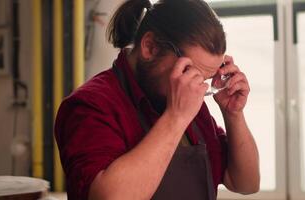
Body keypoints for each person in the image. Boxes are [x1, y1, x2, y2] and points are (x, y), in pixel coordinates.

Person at [54, 0, 260, 199]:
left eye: (205, 79)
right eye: (189, 72)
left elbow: (246, 183)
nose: (197, 88)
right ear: (150, 47)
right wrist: (175, 118)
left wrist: (233, 114)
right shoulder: (89, 105)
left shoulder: (191, 101)